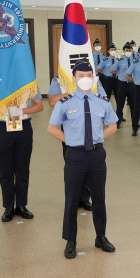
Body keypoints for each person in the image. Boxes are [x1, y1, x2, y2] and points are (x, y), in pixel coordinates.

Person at [47, 59, 118, 259]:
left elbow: (112, 125)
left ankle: (101, 236)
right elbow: (52, 128)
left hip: (96, 155)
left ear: (93, 78)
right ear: (74, 78)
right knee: (71, 200)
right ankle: (71, 241)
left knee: (99, 198)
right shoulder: (65, 103)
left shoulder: (102, 101)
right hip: (75, 155)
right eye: (81, 76)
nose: (85, 79)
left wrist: (97, 139)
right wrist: (70, 140)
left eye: (88, 76)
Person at [48, 76, 106, 212]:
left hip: (92, 128)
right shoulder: (59, 79)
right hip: (71, 129)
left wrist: (86, 91)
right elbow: (52, 101)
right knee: (73, 167)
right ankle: (73, 198)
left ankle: (85, 199)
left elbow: (103, 98)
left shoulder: (94, 79)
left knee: (91, 167)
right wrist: (75, 92)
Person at [0, 86, 43, 222]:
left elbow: (39, 106)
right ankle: (8, 207)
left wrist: (20, 110)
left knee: (22, 169)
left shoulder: (29, 83)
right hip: (3, 127)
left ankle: (21, 205)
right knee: (5, 170)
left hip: (23, 127)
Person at [110, 42, 134, 127]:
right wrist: (120, 74)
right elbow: (112, 70)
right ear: (123, 51)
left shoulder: (134, 61)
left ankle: (135, 123)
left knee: (133, 105)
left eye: (129, 50)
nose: (128, 51)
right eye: (127, 50)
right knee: (120, 104)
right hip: (122, 84)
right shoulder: (119, 61)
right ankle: (118, 121)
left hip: (132, 84)